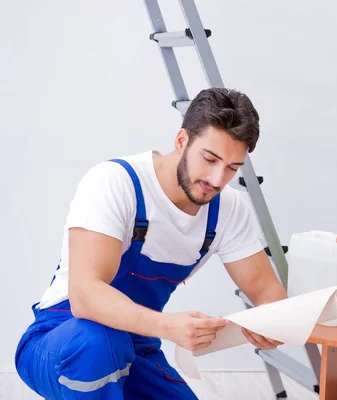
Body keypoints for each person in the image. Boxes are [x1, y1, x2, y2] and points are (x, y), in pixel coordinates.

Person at [14, 87, 288, 399]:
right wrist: (169, 326)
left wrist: (272, 323)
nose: (216, 179)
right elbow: (85, 296)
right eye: (210, 159)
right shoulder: (115, 183)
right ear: (182, 140)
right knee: (99, 343)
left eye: (232, 168)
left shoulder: (229, 209)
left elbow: (267, 291)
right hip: (63, 339)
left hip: (137, 346)